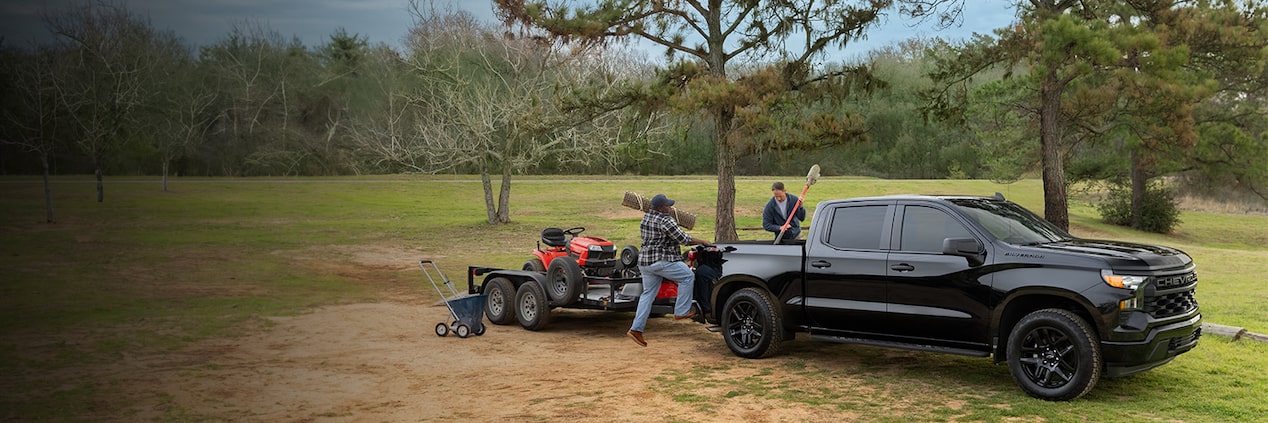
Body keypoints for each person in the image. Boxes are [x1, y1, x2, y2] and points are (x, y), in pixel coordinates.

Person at [627, 193, 711, 347]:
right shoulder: (666, 220)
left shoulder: (646, 218)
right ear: (660, 208)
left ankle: (636, 329)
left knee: (647, 295)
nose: (670, 207)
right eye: (667, 205)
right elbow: (684, 239)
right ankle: (681, 311)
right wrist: (703, 242)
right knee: (687, 276)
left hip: (645, 262)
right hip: (661, 261)